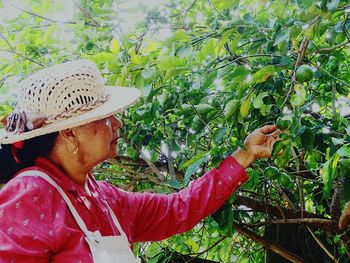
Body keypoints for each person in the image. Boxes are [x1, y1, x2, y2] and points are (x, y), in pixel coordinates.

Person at [0, 60, 278, 262]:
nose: (117, 123)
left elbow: (177, 209)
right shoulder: (33, 193)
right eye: (105, 118)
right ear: (70, 133)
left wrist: (245, 154)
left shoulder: (103, 198)